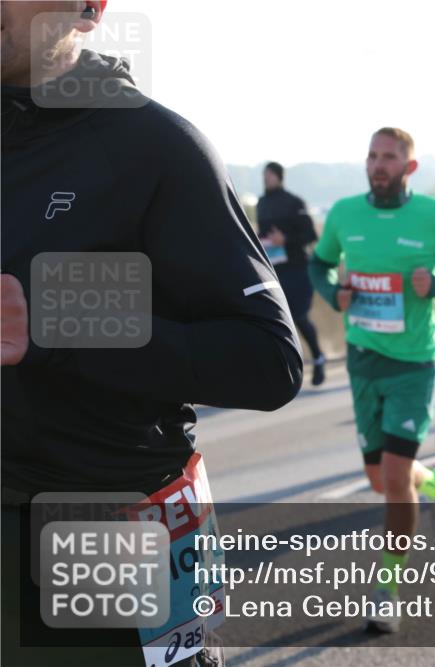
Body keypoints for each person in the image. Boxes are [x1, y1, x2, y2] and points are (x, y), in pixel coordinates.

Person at [1, 3, 303, 665]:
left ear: (90, 8)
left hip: (104, 531)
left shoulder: (152, 144)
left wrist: (56, 323)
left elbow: (269, 360)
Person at [308, 127, 435, 633]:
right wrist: (333, 293)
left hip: (415, 362)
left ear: (409, 168)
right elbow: (319, 264)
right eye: (372, 156)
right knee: (379, 479)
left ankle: (387, 590)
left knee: (391, 478)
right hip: (364, 359)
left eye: (389, 157)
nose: (378, 164)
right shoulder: (345, 214)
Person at [257, 161, 327, 385]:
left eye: (269, 174)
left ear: (279, 176)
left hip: (297, 269)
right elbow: (261, 233)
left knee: (298, 317)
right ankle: (283, 370)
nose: (266, 178)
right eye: (264, 174)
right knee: (274, 320)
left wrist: (285, 240)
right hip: (272, 272)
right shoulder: (261, 203)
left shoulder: (294, 202)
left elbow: (310, 235)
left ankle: (317, 358)